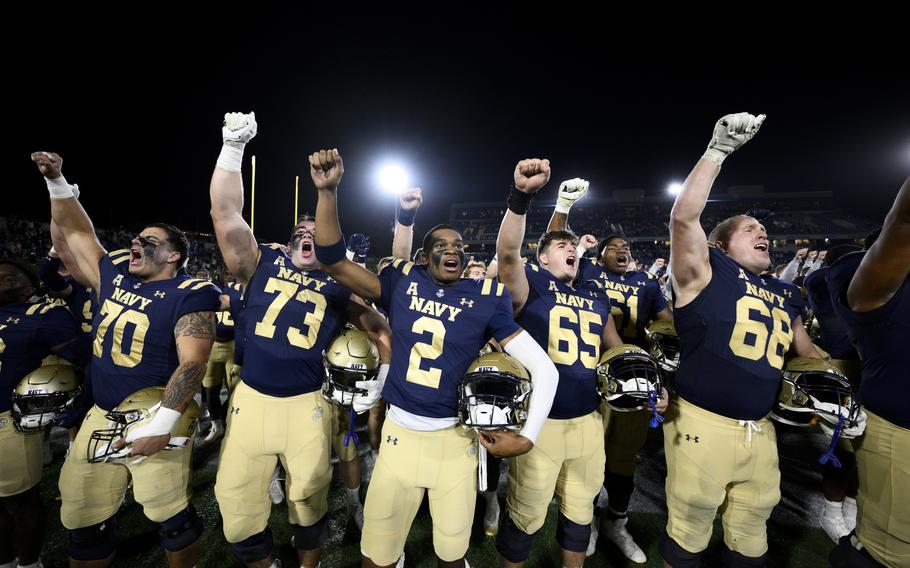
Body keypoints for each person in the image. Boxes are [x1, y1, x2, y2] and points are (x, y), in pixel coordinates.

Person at [310, 147, 559, 568]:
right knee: (376, 557)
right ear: (424, 257)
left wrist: (529, 434)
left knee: (451, 556)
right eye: (441, 244)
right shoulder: (402, 281)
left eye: (459, 244)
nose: (453, 249)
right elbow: (333, 260)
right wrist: (329, 192)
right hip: (398, 437)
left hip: (456, 440)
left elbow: (543, 370)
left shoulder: (486, 297)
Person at [209, 113, 392, 568]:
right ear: (288, 241)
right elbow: (226, 213)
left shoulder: (339, 283)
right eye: (300, 232)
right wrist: (233, 148)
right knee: (233, 503)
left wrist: (380, 382)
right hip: (250, 397)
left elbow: (381, 328)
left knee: (309, 498)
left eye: (316, 233)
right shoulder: (261, 263)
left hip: (308, 403)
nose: (307, 235)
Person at [33, 151, 220, 568]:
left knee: (171, 519)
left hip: (155, 413)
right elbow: (76, 235)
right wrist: (56, 181)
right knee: (82, 521)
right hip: (101, 412)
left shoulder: (190, 293)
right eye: (136, 238)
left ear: (174, 256)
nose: (136, 242)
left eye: (149, 241)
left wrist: (163, 423)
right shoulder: (114, 274)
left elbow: (192, 363)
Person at [662, 113, 821, 567]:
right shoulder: (706, 274)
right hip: (702, 423)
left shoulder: (785, 293)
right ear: (721, 246)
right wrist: (717, 152)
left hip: (763, 429)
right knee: (689, 531)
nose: (762, 233)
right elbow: (683, 217)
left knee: (752, 534)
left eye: (763, 230)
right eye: (750, 229)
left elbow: (807, 354)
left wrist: (834, 389)